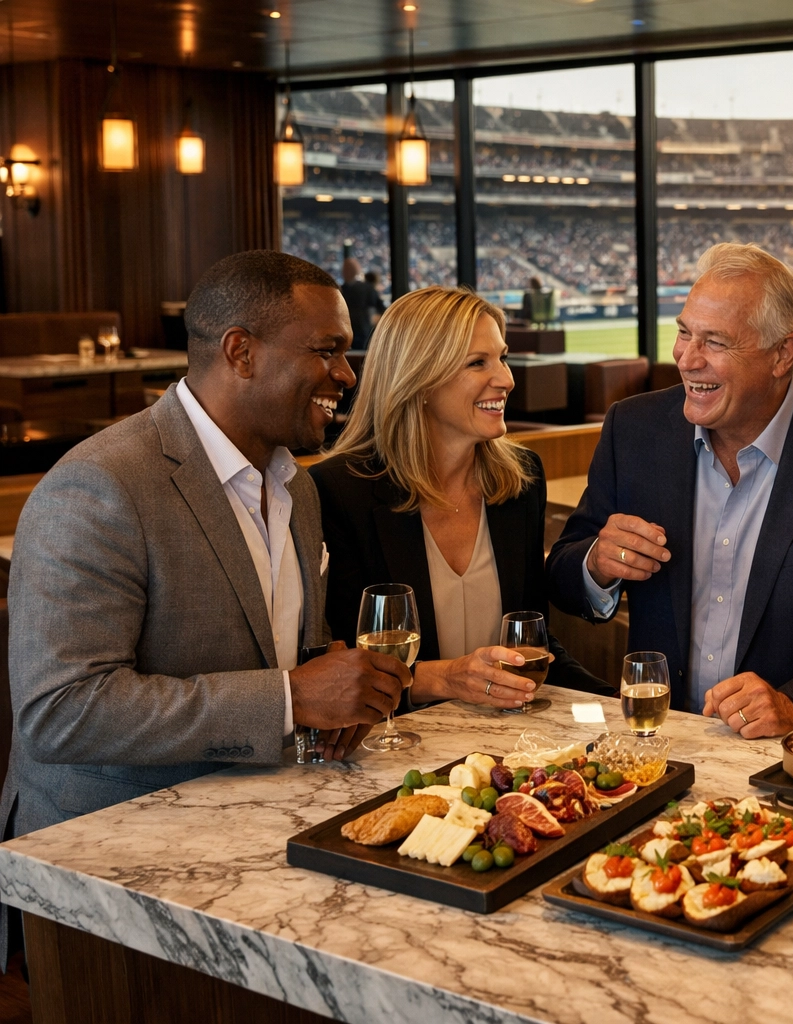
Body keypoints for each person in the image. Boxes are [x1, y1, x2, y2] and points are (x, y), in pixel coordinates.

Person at [2, 250, 412, 842]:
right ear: (240, 351)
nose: (347, 374)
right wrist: (291, 699)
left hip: (262, 824)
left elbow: (279, 648)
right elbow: (61, 712)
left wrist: (334, 703)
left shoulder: (298, 484)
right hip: (104, 850)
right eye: (326, 351)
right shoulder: (99, 485)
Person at [547, 242, 793, 737]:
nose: (687, 359)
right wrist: (596, 563)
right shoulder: (634, 429)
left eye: (716, 342)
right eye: (684, 333)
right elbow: (563, 572)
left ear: (783, 354)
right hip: (663, 745)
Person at [312, 286, 611, 708]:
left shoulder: (521, 479)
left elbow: (530, 647)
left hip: (505, 754)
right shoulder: (339, 490)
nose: (507, 379)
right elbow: (342, 668)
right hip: (394, 753)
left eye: (502, 357)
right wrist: (447, 679)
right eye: (478, 363)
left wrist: (616, 702)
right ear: (419, 380)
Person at [339, 257, 385, 349]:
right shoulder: (367, 288)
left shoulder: (339, 291)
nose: (346, 272)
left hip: (350, 332)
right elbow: (381, 308)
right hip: (361, 331)